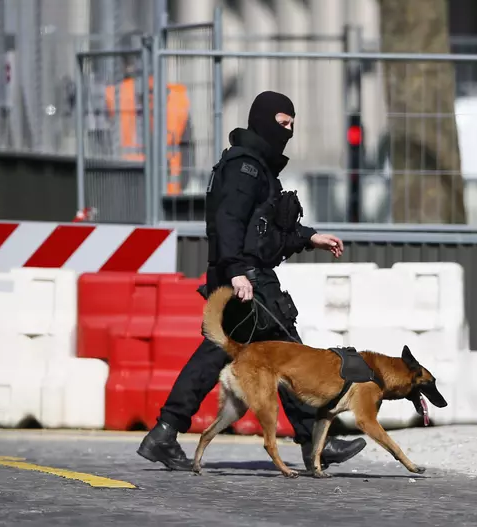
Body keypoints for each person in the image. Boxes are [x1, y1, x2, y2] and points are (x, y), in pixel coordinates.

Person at [137, 90, 367, 472]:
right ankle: (315, 442)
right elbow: (228, 222)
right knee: (291, 357)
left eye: (292, 124)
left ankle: (165, 432)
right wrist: (237, 271)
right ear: (262, 119)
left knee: (216, 354)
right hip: (247, 281)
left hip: (246, 276)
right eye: (282, 123)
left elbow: (266, 229)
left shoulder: (257, 167)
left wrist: (310, 237)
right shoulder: (245, 168)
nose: (289, 131)